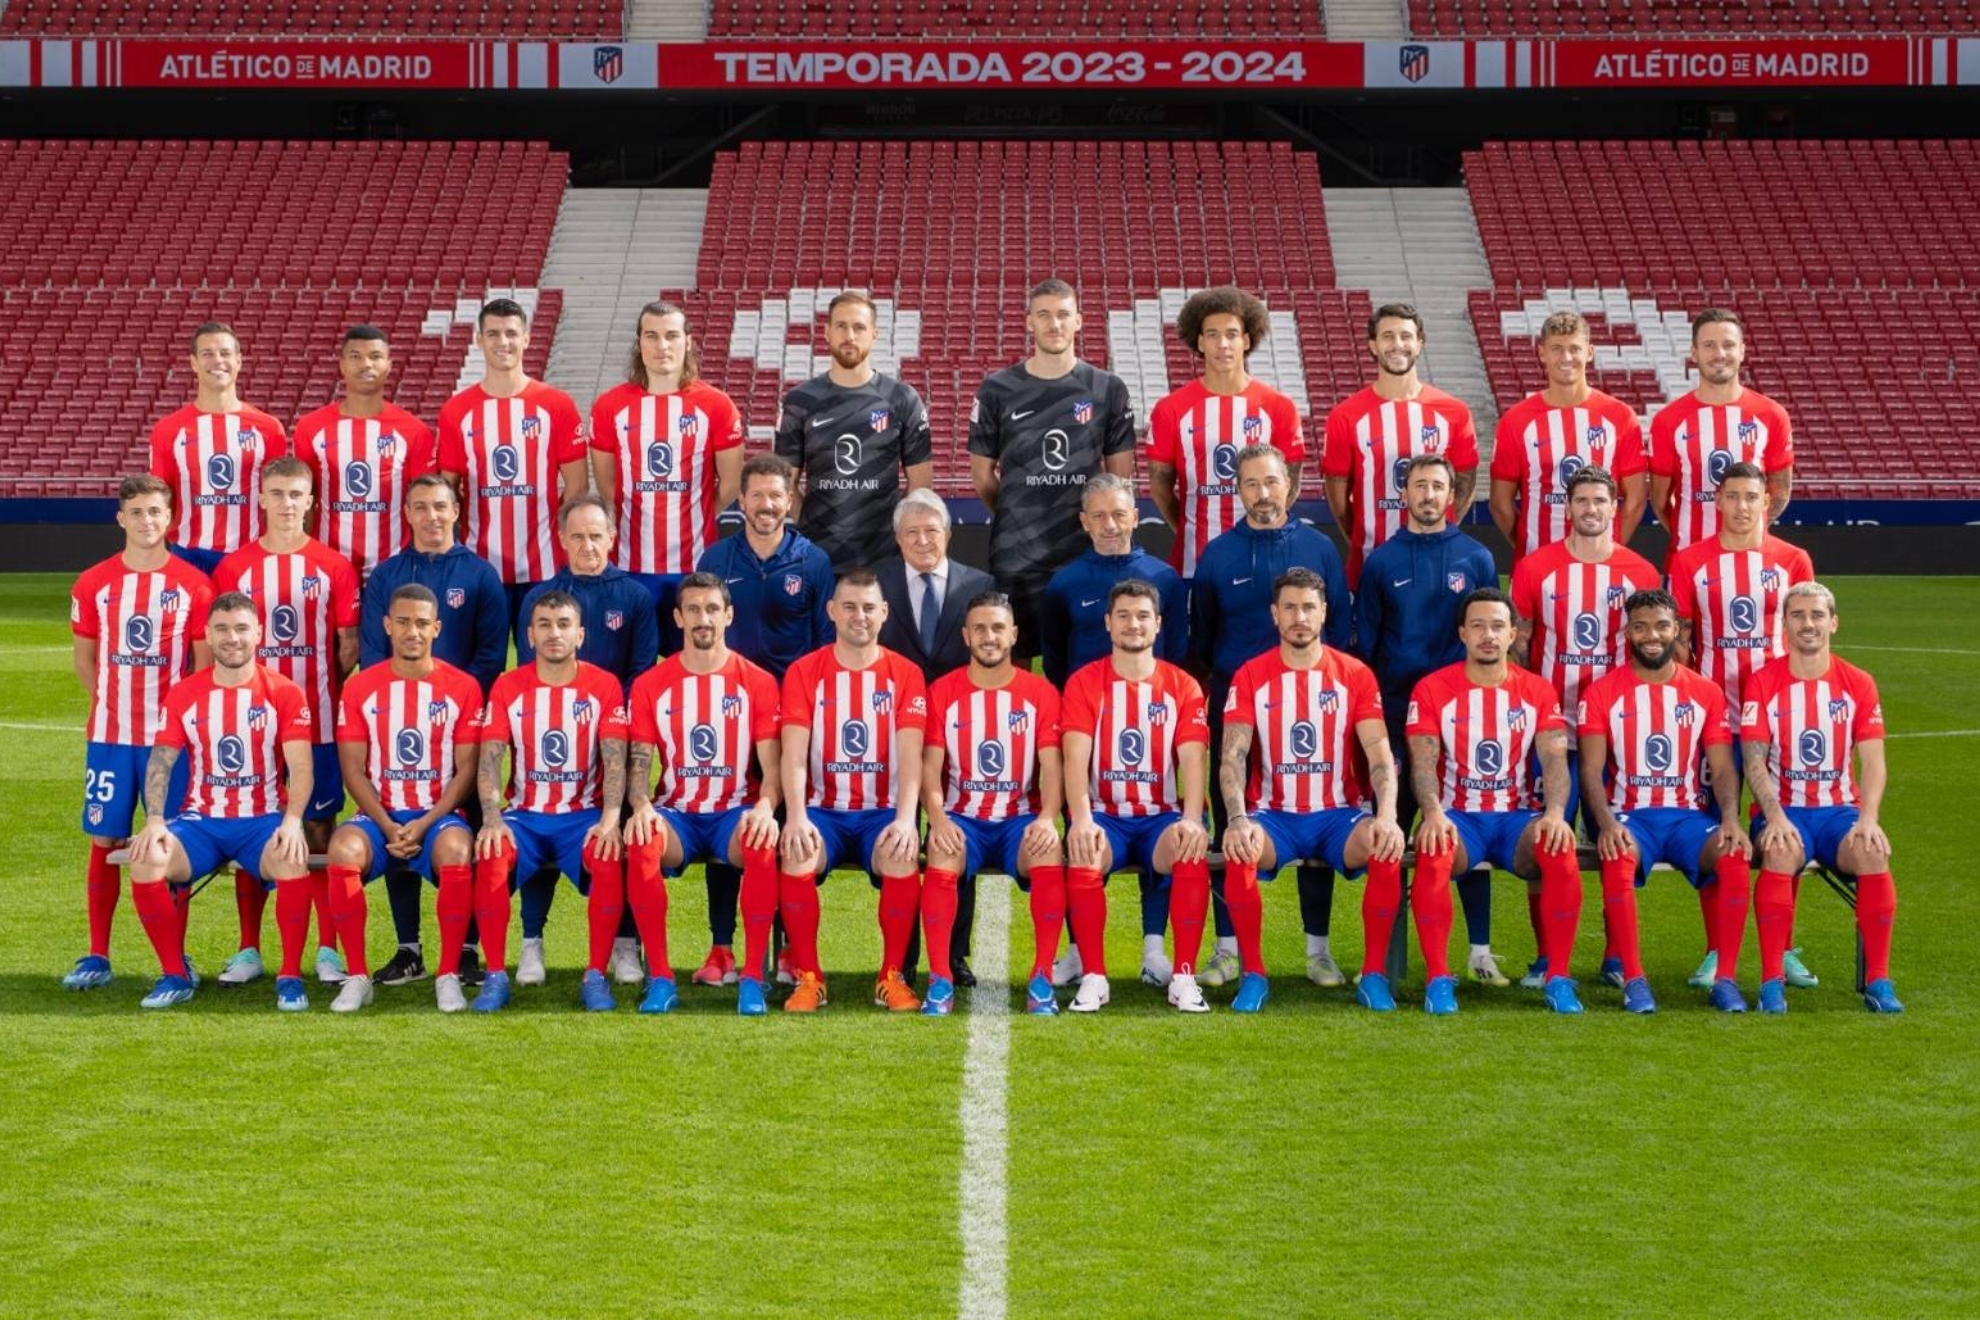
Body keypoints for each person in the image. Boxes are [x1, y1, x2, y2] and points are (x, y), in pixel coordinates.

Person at [1188, 442, 1351, 991]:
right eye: (1251, 484)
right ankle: (1228, 948)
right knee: (1231, 826)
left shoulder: (1319, 547)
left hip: (1311, 714)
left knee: (1316, 817)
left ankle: (1318, 951)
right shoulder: (1218, 554)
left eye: (1272, 482)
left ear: (1291, 485)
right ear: (1238, 490)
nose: (1263, 494)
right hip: (1238, 711)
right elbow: (1203, 640)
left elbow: (1342, 627)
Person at [1219, 569, 1405, 1014]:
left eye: (1308, 607)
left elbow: (1379, 753)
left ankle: (1374, 975)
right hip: (1274, 816)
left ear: (1324, 613)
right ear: (1274, 615)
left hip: (1338, 814)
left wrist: (1388, 814)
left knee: (1385, 847)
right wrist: (1238, 818)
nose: (1299, 616)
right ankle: (1254, 976)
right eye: (1289, 607)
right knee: (1240, 849)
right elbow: (1232, 756)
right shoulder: (1250, 675)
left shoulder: (1355, 675)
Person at [1508, 463, 1660, 990]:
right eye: (1582, 501)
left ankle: (1617, 957)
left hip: (1615, 736)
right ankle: (1547, 957)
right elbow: (1522, 645)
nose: (1592, 510)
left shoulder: (1640, 571)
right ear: (1566, 508)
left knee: (1615, 841)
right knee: (1545, 842)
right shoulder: (1535, 568)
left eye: (1602, 501)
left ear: (1614, 508)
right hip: (1550, 734)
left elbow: (1648, 648)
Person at [1356, 453, 1505, 986]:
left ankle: (1480, 951)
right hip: (1397, 713)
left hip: (1464, 717)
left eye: (1438, 486)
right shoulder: (1381, 562)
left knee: (1465, 820)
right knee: (1392, 829)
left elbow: (1493, 634)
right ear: (1405, 494)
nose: (1428, 495)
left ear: (1452, 495)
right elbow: (1367, 646)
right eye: (1419, 485)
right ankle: (1388, 957)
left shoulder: (1476, 558)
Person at [1667, 462, 1818, 988]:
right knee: (1721, 831)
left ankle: (1785, 946)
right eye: (1732, 496)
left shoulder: (1792, 560)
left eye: (1751, 496)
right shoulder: (1690, 561)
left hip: (1780, 720)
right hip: (1714, 718)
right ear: (1718, 501)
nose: (1742, 506)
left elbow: (1807, 633)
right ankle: (1717, 950)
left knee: (1784, 827)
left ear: (1768, 500)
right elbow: (1680, 641)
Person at [210, 456, 360, 988]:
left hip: (315, 726)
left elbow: (346, 647)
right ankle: (249, 948)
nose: (287, 503)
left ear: (311, 500)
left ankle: (325, 949)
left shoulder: (333, 565)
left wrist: (309, 696)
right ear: (261, 499)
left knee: (318, 832)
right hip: (247, 729)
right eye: (277, 493)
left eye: (296, 494)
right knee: (247, 826)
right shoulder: (235, 567)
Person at [124, 594, 314, 1010]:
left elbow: (301, 767)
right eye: (223, 629)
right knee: (146, 859)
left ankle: (290, 976)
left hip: (261, 821)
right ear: (208, 635)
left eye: (242, 628)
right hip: (201, 824)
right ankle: (175, 973)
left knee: (292, 857)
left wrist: (294, 820)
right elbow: (161, 761)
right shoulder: (185, 694)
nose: (233, 638)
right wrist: (155, 820)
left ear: (258, 633)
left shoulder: (283, 692)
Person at [357, 472, 508, 987]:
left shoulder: (481, 573)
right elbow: (375, 649)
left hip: (458, 725)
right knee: (398, 825)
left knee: (457, 839)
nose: (431, 516)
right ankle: (408, 948)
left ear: (456, 510)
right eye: (420, 507)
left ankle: (463, 948)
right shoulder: (388, 574)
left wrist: (462, 706)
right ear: (407, 513)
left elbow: (493, 650)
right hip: (395, 723)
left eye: (440, 506)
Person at [63, 475, 213, 991]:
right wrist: (114, 703)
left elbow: (200, 670)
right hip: (109, 737)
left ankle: (176, 959)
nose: (147, 521)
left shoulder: (194, 585)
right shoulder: (93, 583)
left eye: (156, 511)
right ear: (120, 518)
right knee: (104, 838)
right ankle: (97, 955)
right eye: (137, 512)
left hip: (169, 744)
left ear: (169, 517)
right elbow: (86, 662)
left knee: (166, 844)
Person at [1406, 589, 1583, 1014]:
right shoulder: (1432, 689)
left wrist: (1556, 814)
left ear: (1514, 634)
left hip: (1515, 819)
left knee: (1559, 850)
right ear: (1463, 633)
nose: (1489, 635)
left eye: (1498, 626)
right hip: (1457, 816)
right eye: (1479, 626)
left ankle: (1558, 976)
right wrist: (1431, 813)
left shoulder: (1538, 691)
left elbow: (1555, 761)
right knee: (1433, 848)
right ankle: (1438, 979)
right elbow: (1423, 762)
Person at [693, 453, 835, 983]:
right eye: (757, 496)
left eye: (777, 495)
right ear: (742, 500)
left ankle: (786, 948)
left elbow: (825, 647)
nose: (768, 505)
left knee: (788, 826)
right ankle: (722, 946)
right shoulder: (715, 557)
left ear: (790, 499)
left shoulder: (813, 561)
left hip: (793, 716)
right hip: (729, 712)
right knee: (729, 817)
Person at [510, 493, 662, 986]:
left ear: (612, 538)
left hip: (612, 738)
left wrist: (608, 719)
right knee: (539, 826)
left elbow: (643, 673)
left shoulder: (636, 596)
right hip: (553, 738)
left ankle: (625, 946)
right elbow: (529, 668)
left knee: (619, 839)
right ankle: (532, 943)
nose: (588, 545)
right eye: (577, 535)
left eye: (596, 535)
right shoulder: (540, 596)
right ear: (561, 539)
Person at [1577, 589, 1752, 1014]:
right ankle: (1634, 979)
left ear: (1677, 630)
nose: (1651, 635)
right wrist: (1605, 824)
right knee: (1617, 855)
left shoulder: (1706, 692)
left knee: (1734, 856)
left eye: (1660, 626)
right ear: (1628, 633)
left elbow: (1724, 768)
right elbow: (1589, 769)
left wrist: (1729, 818)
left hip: (1687, 818)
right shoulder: (1601, 692)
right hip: (1630, 817)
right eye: (1640, 627)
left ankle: (1725, 978)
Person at [622, 573, 784, 1016]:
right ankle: (660, 978)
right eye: (692, 609)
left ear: (729, 615)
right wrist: (639, 806)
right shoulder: (652, 684)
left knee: (763, 841)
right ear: (677, 617)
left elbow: (773, 771)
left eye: (712, 609)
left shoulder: (758, 682)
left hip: (735, 811)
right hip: (677, 813)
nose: (702, 618)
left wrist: (767, 807)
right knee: (639, 841)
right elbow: (639, 764)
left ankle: (752, 977)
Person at [1739, 582, 1902, 1013]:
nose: (1807, 624)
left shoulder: (1858, 683)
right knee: (1780, 850)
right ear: (1784, 625)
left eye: (1816, 615)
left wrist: (1868, 820)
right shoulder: (1762, 682)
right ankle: (1771, 981)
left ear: (1833, 622)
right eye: (1797, 616)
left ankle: (1879, 981)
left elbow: (1874, 762)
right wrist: (1773, 817)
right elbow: (1754, 761)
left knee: (1870, 853)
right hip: (1784, 809)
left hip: (1837, 812)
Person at [467, 592, 631, 1013]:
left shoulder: (603, 685)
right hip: (525, 816)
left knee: (608, 856)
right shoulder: (508, 685)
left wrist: (611, 819)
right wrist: (490, 818)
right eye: (544, 624)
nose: (553, 632)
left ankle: (595, 974)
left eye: (562, 624)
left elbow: (615, 760)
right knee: (490, 856)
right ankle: (496, 976)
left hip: (583, 816)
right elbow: (490, 757)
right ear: (529, 635)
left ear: (580, 634)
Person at [775, 570, 930, 1013]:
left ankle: (890, 977)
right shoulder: (806, 671)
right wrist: (799, 816)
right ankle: (809, 978)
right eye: (849, 607)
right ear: (831, 612)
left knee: (901, 853)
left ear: (884, 613)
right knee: (797, 851)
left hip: (882, 811)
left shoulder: (905, 674)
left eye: (867, 607)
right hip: (824, 811)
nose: (858, 616)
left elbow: (912, 754)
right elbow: (794, 755)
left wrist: (905, 819)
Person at [324, 585, 482, 1013]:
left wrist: (426, 822)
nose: (413, 631)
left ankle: (447, 973)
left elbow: (466, 770)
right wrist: (388, 823)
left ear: (436, 627)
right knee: (341, 848)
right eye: (404, 622)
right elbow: (352, 769)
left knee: (456, 849)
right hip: (379, 817)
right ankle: (357, 976)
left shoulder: (463, 688)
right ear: (387, 625)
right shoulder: (360, 688)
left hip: (438, 818)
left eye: (421, 623)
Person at [1059, 580, 1213, 1014]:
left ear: (1159, 624)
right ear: (1108, 624)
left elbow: (1193, 759)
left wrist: (1192, 818)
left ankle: (1183, 976)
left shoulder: (1182, 686)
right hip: (1105, 816)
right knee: (1085, 852)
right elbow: (1075, 758)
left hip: (1158, 818)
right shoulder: (1085, 683)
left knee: (1190, 847)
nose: (1133, 624)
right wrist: (1082, 819)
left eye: (1143, 616)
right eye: (1123, 615)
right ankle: (1093, 976)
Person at [968, 278, 1135, 650]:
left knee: (1092, 650)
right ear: (1029, 322)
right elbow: (982, 476)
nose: (1054, 324)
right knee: (1014, 652)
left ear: (1079, 320)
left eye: (1062, 315)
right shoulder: (997, 389)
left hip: (1086, 549)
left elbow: (1118, 477)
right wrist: (1017, 510)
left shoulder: (1108, 388)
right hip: (1017, 553)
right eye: (1044, 315)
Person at [921, 592, 1066, 1016]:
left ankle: (1041, 978)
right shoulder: (943, 692)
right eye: (980, 628)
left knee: (1048, 850)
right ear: (966, 636)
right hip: (962, 818)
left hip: (1017, 820)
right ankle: (940, 979)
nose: (989, 637)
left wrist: (1046, 818)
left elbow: (1052, 767)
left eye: (998, 628)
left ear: (1014, 635)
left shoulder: (1039, 693)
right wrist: (938, 819)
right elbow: (930, 769)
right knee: (942, 854)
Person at [873, 489, 996, 985]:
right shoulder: (876, 584)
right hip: (890, 733)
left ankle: (955, 954)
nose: (923, 540)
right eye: (912, 532)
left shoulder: (980, 584)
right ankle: (900, 960)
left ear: (948, 533)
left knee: (951, 835)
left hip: (959, 733)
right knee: (900, 842)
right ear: (898, 539)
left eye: (932, 530)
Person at [590, 300, 745, 653]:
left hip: (696, 565)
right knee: (631, 664)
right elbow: (607, 486)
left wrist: (700, 510)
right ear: (639, 342)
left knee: (697, 664)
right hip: (630, 566)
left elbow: (731, 484)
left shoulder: (716, 405)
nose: (662, 346)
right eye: (652, 336)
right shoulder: (609, 407)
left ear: (687, 341)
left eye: (672, 336)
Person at [436, 297, 587, 629]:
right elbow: (446, 493)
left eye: (510, 333)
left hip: (546, 565)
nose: (502, 342)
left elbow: (577, 487)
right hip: (479, 566)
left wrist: (556, 538)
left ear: (527, 338)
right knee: (483, 665)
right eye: (492, 334)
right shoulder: (457, 411)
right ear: (478, 340)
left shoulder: (556, 405)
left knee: (546, 663)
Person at [1147, 286, 1304, 579]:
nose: (1223, 343)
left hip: (1266, 561)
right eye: (1212, 334)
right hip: (1195, 563)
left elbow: (1291, 484)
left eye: (1231, 334)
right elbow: (1160, 488)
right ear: (1200, 342)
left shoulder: (1279, 407)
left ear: (1246, 341)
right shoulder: (1171, 409)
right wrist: (1188, 527)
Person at [1322, 302, 1480, 587]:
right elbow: (1337, 499)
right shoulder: (1346, 415)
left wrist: (1437, 527)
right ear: (1373, 345)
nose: (1398, 344)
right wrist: (1362, 536)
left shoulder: (1454, 412)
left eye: (1406, 336)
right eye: (1388, 336)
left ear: (1419, 344)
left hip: (1439, 564)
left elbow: (1465, 486)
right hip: (1369, 567)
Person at [773, 289, 933, 570]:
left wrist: (893, 531)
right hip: (816, 557)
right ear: (826, 332)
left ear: (874, 334)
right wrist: (812, 525)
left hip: (884, 558)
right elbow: (785, 483)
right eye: (841, 326)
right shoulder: (801, 400)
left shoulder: (901, 398)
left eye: (859, 327)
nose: (850, 335)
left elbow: (921, 485)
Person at [1489, 310, 1647, 560]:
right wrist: (1530, 551)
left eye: (1574, 348)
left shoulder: (1619, 416)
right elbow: (1500, 503)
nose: (1566, 357)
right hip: (1537, 565)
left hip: (1603, 565)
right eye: (1556, 349)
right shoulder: (1516, 420)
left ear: (1590, 352)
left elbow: (1636, 499)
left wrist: (1607, 547)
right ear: (1542, 353)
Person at [292, 324, 437, 581]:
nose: (366, 364)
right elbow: (306, 502)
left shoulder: (414, 431)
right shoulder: (310, 428)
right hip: (326, 569)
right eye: (356, 357)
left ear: (388, 366)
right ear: (342, 365)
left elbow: (421, 503)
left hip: (394, 569)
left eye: (375, 357)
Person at [1649, 308, 1794, 564]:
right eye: (1709, 345)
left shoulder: (1771, 415)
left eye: (1728, 345)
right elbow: (1660, 501)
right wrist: (1692, 541)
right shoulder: (1668, 421)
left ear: (1742, 351)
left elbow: (1780, 491)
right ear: (1694, 353)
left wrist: (1747, 531)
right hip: (1687, 565)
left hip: (1753, 562)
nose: (1720, 354)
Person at [148, 321, 289, 574]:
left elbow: (278, 496)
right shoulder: (169, 430)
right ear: (193, 363)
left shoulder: (268, 428)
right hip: (189, 555)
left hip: (251, 554)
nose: (217, 360)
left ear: (238, 361)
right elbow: (159, 498)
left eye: (225, 353)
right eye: (207, 354)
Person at [1038, 474, 1188, 689]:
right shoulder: (1064, 583)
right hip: (1086, 707)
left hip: (1151, 705)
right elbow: (1054, 658)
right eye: (1099, 515)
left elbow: (1177, 652)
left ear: (1135, 517)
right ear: (1085, 521)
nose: (1109, 525)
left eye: (1119, 514)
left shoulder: (1165, 578)